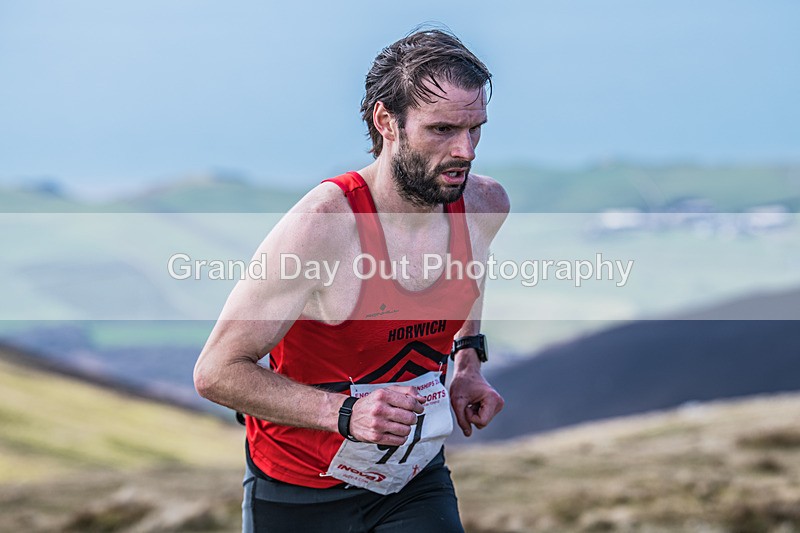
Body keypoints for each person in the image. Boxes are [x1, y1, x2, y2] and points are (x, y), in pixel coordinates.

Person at [194, 28, 509, 532]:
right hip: (298, 488)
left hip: (412, 479)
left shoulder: (483, 205)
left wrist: (468, 360)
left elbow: (471, 275)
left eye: (475, 129)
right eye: (442, 129)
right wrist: (346, 414)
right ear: (387, 122)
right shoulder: (324, 225)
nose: (466, 151)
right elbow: (215, 372)